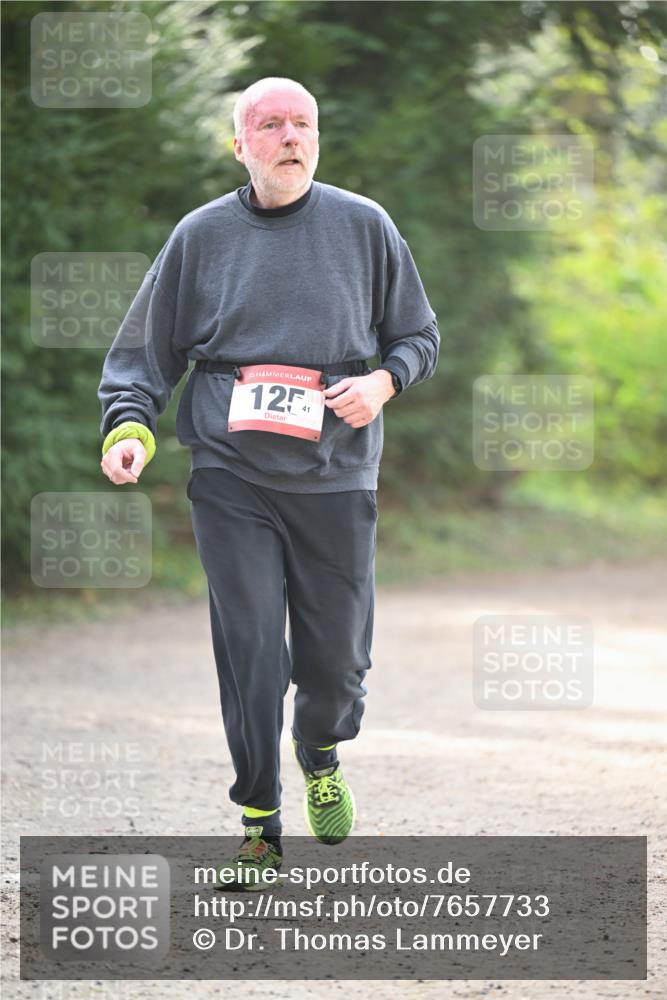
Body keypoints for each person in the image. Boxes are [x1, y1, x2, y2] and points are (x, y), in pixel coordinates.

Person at [98, 76, 439, 889]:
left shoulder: (364, 225)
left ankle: (318, 749)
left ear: (316, 137)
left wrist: (384, 382)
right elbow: (145, 353)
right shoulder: (201, 235)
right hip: (230, 470)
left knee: (333, 668)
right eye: (270, 124)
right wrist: (129, 426)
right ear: (240, 144)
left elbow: (419, 334)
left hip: (336, 473)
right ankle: (258, 826)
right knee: (248, 648)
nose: (289, 136)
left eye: (302, 123)